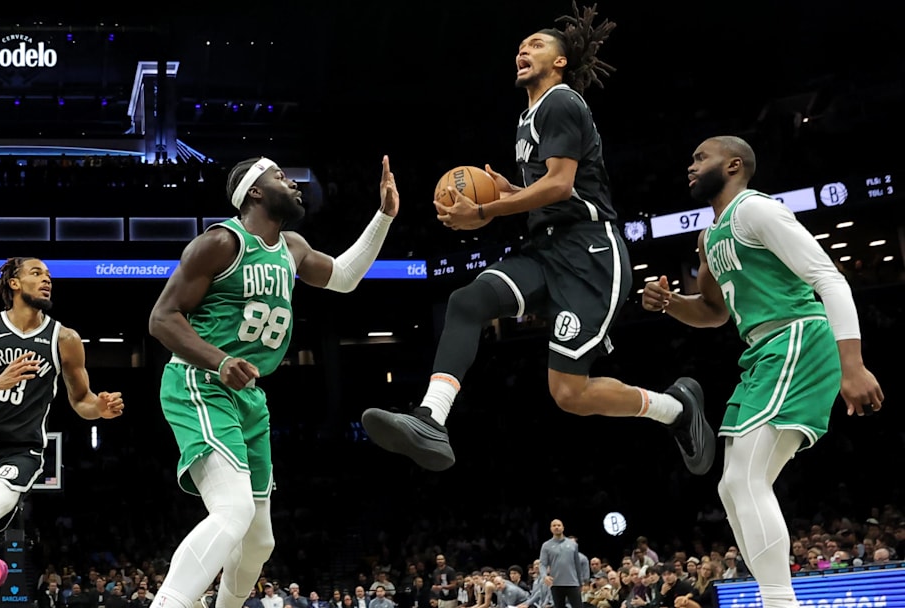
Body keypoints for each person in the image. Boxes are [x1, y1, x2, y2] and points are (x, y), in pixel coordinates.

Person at [361, 4, 714, 475]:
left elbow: (562, 185)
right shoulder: (527, 120)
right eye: (521, 46)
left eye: (536, 44)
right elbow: (547, 190)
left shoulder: (563, 101)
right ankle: (432, 419)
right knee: (467, 302)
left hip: (591, 254)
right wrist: (512, 191)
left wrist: (487, 208)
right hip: (547, 249)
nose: (523, 50)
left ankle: (677, 409)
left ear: (561, 61)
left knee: (568, 394)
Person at [641, 135, 884, 608]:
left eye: (700, 158)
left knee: (747, 482)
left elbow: (828, 278)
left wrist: (851, 364)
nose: (690, 166)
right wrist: (670, 304)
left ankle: (779, 602)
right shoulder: (710, 236)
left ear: (734, 165)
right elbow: (713, 312)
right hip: (762, 351)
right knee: (732, 487)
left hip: (797, 336)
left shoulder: (756, 210)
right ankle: (777, 598)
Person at [147, 156, 399, 608]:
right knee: (233, 511)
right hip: (199, 383)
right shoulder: (222, 242)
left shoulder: (293, 247)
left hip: (248, 397)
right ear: (255, 192)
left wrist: (384, 216)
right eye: (280, 176)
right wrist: (220, 361)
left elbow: (344, 277)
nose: (294, 182)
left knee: (260, 541)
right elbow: (161, 319)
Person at [0, 257, 125, 608]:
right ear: (15, 283)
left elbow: (81, 400)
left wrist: (101, 408)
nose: (47, 279)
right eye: (36, 273)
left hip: (22, 452)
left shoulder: (64, 338)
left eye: (49, 275)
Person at [538, 520, 587, 608]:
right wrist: (544, 576)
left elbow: (577, 565)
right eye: (554, 525)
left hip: (573, 583)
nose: (556, 527)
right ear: (551, 529)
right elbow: (542, 564)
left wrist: (580, 582)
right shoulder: (546, 545)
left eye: (559, 525)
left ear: (563, 528)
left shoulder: (573, 544)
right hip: (556, 583)